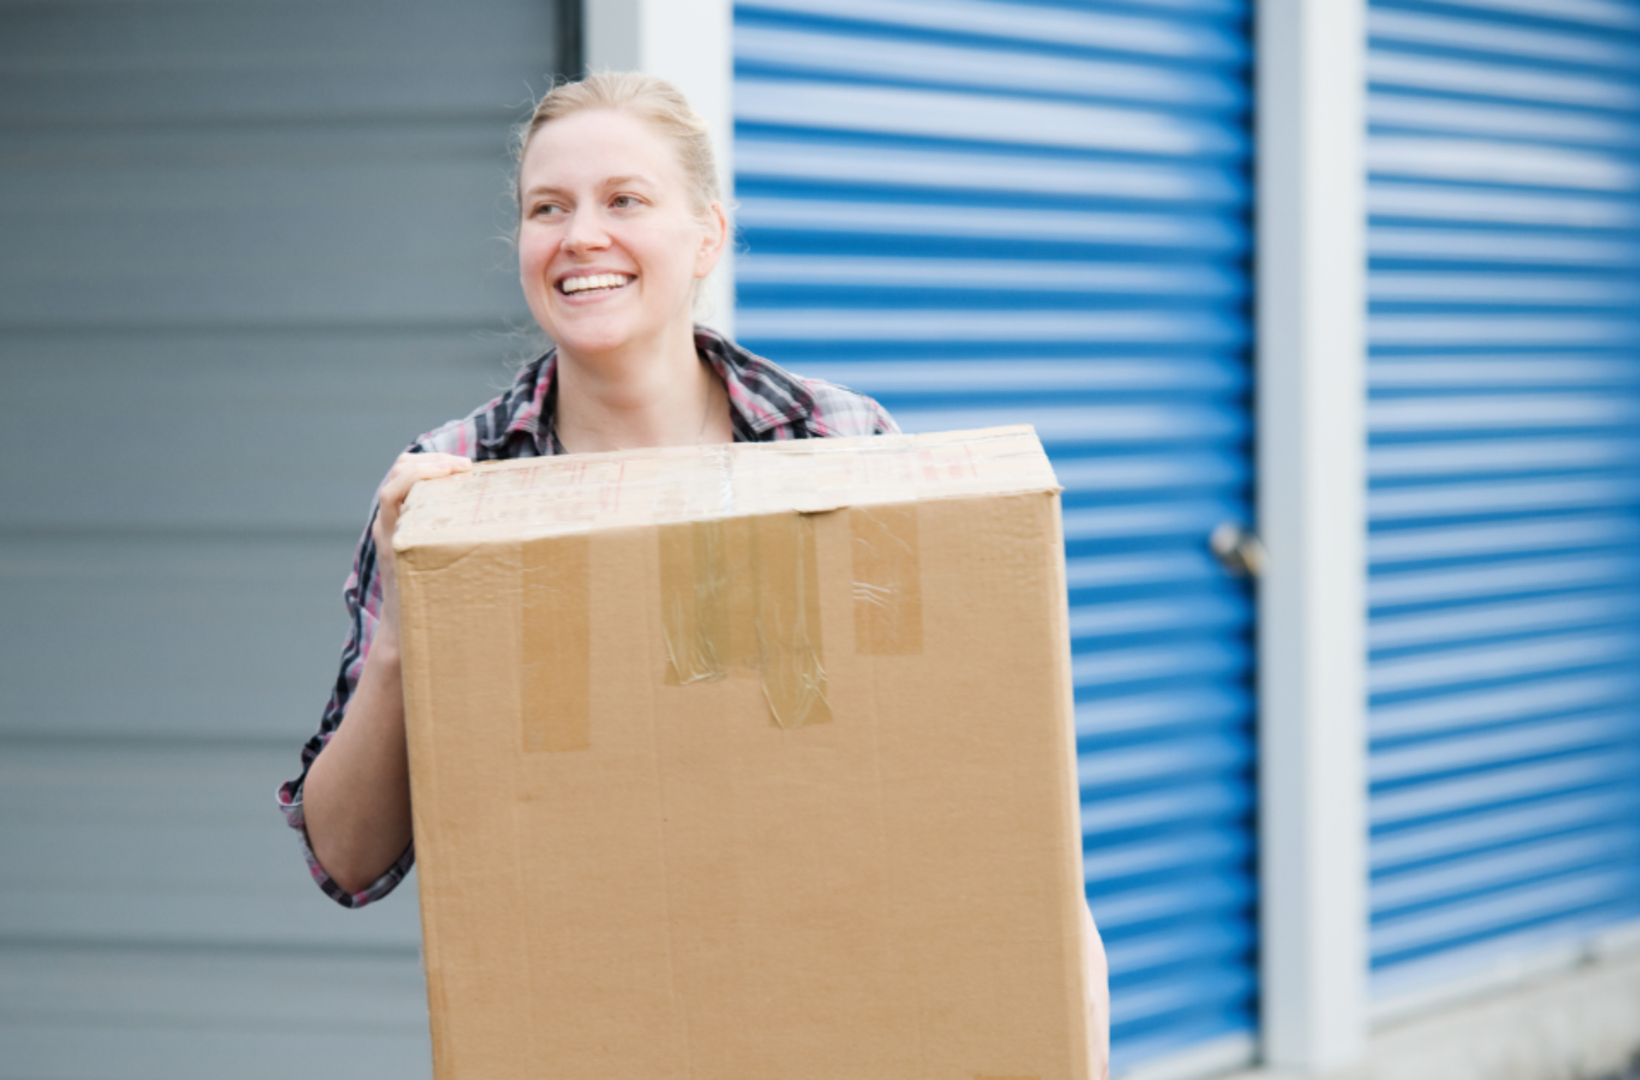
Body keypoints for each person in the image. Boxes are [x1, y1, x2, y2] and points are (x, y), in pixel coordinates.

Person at [276, 71, 1110, 1076]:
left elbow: (987, 801)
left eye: (625, 200)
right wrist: (407, 641)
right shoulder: (454, 491)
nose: (582, 235)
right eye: (550, 208)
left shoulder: (842, 450)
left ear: (707, 235)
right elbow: (347, 859)